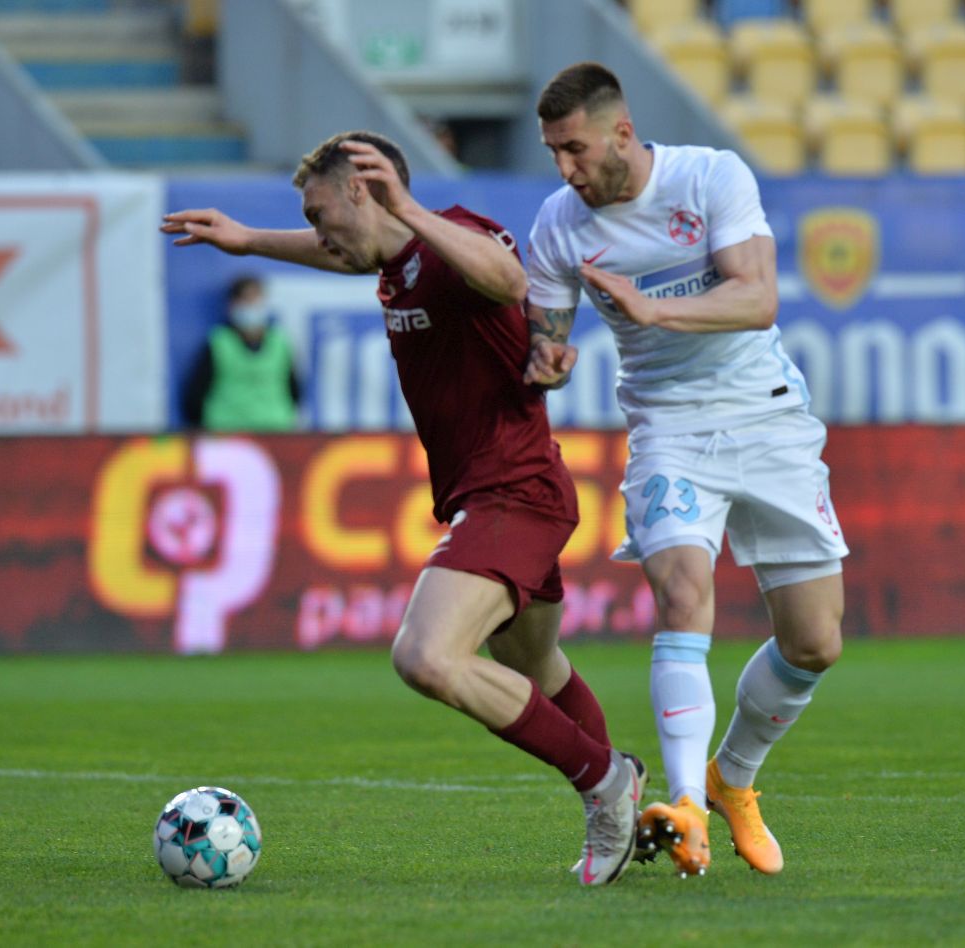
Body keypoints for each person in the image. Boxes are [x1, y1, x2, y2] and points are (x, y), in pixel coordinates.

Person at [162, 130, 644, 886]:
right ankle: (634, 808)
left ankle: (607, 781)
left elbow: (508, 280)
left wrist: (411, 207)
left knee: (425, 656)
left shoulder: (449, 238)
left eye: (322, 213)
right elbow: (345, 251)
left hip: (512, 492)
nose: (320, 234)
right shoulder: (393, 263)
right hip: (503, 491)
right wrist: (249, 239)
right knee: (535, 663)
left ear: (363, 191)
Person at [523, 62, 849, 879]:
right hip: (667, 427)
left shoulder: (710, 176)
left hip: (766, 414)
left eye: (575, 148)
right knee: (681, 591)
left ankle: (730, 779)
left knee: (813, 643)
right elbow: (547, 336)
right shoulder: (558, 226)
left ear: (621, 134)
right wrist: (551, 358)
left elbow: (758, 297)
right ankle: (685, 809)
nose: (565, 168)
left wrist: (651, 306)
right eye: (553, 152)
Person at [181, 274, 302, 431]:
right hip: (227, 434)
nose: (253, 306)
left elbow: (294, 390)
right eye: (246, 300)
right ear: (232, 305)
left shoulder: (280, 342)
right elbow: (195, 396)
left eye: (257, 300)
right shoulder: (219, 342)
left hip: (277, 432)